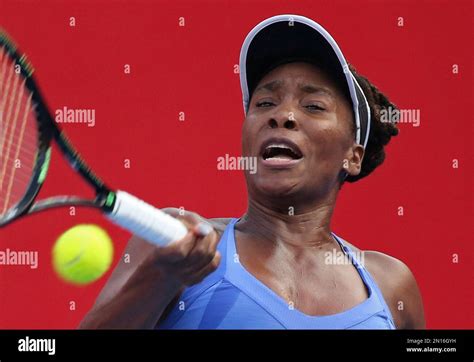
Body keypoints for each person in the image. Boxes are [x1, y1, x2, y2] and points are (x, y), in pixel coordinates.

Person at [79, 14, 425, 329]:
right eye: (264, 103)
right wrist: (160, 276)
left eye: (313, 106)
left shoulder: (390, 284)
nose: (282, 115)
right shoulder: (172, 238)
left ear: (353, 156)